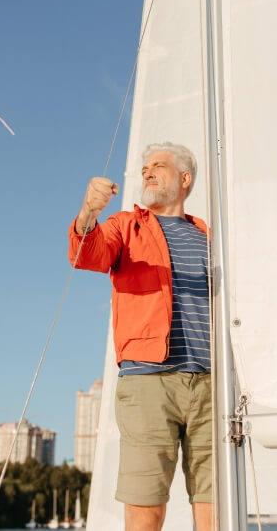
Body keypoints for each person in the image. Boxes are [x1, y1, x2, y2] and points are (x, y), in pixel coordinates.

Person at [68, 142, 212, 531]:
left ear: (185, 179)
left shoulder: (211, 237)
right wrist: (89, 212)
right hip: (149, 380)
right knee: (146, 506)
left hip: (213, 386)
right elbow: (86, 253)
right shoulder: (124, 227)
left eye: (158, 166)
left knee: (217, 504)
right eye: (145, 166)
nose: (147, 171)